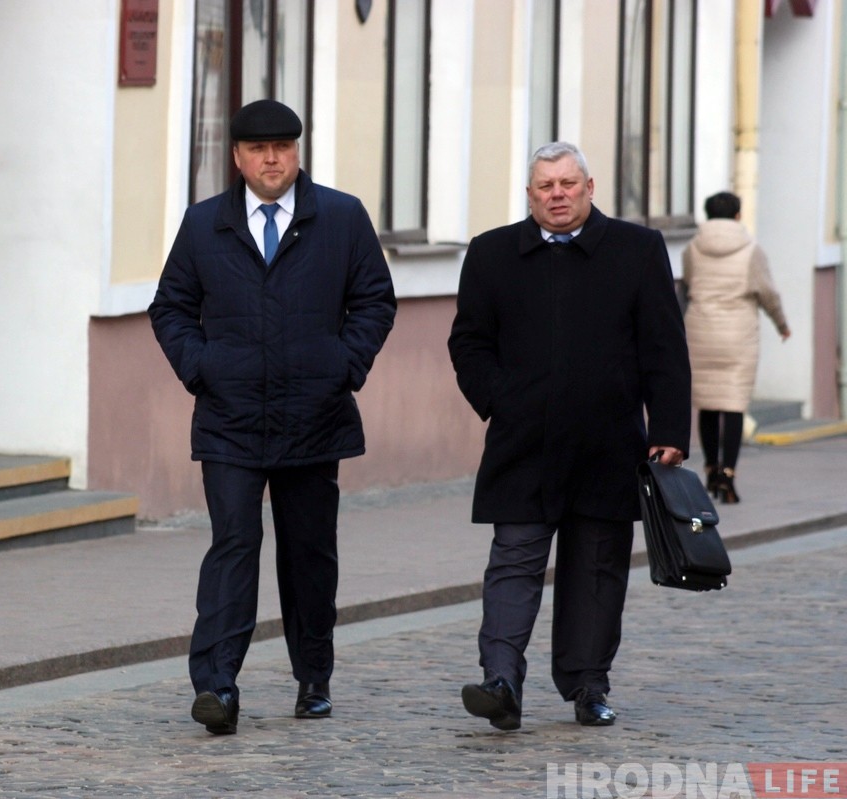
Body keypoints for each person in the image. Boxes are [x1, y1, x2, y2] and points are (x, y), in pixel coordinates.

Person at [149, 99, 396, 735]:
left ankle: (313, 676)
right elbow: (171, 307)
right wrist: (201, 369)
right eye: (259, 150)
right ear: (236, 157)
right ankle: (217, 687)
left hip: (315, 415)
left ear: (297, 153)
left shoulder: (339, 218)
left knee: (309, 552)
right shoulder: (205, 225)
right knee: (234, 545)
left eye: (282, 147)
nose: (271, 159)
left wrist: (342, 366)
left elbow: (374, 300)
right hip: (229, 417)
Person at [447, 142, 690, 730]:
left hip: (607, 443)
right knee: (514, 562)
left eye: (567, 184)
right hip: (522, 443)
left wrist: (670, 429)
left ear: (590, 186)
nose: (556, 195)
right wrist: (500, 402)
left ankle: (588, 685)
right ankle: (500, 680)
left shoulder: (637, 250)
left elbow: (664, 346)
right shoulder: (492, 253)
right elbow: (468, 343)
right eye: (544, 187)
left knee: (598, 569)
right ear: (529, 195)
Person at [681, 191, 789, 504]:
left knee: (707, 403)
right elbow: (768, 293)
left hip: (700, 330)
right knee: (733, 402)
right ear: (738, 216)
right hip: (738, 335)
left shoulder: (692, 248)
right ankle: (728, 475)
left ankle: (711, 469)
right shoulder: (751, 251)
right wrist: (781, 324)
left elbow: (688, 284)